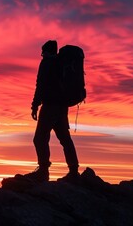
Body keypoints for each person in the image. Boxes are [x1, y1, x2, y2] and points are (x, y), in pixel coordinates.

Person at [24, 40, 80, 182]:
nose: (42, 56)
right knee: (64, 138)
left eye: (43, 53)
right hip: (62, 107)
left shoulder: (47, 63)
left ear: (46, 52)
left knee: (39, 138)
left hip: (50, 106)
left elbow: (40, 85)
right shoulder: (61, 64)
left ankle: (43, 171)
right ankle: (74, 170)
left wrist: (34, 105)